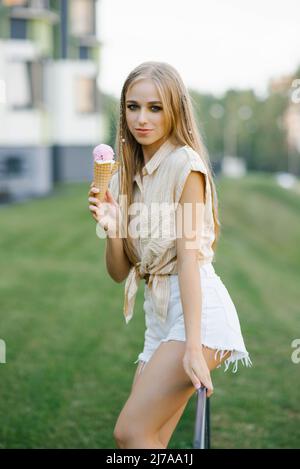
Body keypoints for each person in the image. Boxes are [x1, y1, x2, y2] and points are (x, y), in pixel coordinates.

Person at [88, 61, 252, 449]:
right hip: (158, 319)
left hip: (199, 316)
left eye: (155, 107)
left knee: (130, 431)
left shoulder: (185, 166)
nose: (141, 118)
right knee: (145, 442)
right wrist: (113, 230)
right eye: (132, 106)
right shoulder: (122, 176)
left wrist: (194, 346)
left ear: (174, 110)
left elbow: (190, 259)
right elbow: (119, 272)